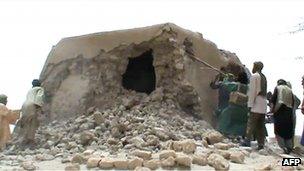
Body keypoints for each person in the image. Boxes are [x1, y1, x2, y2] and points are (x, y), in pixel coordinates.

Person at [241, 61, 267, 150]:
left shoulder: (255, 76)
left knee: (251, 123)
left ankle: (247, 141)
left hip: (257, 102)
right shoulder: (263, 77)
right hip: (263, 103)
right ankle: (261, 144)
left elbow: (252, 92)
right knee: (260, 125)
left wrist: (250, 104)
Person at [217, 71, 249, 139]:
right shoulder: (248, 88)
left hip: (234, 108)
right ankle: (239, 135)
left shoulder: (236, 85)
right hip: (244, 110)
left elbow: (225, 85)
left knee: (224, 115)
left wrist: (226, 78)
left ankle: (224, 133)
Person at [14, 79, 44, 147]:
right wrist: (40, 108)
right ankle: (30, 140)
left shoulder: (30, 90)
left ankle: (22, 139)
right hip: (32, 105)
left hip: (24, 105)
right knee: (32, 122)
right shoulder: (40, 89)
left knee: (25, 122)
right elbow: (38, 98)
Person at [271, 79, 294, 154]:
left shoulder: (278, 88)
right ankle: (289, 147)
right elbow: (293, 103)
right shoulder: (290, 90)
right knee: (288, 131)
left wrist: (273, 110)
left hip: (281, 111)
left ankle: (282, 148)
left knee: (278, 130)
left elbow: (276, 101)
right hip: (289, 111)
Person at [286, 81, 301, 148]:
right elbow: (299, 101)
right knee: (292, 132)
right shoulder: (294, 96)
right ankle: (291, 146)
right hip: (293, 116)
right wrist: (295, 107)